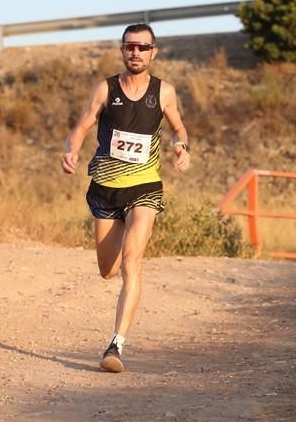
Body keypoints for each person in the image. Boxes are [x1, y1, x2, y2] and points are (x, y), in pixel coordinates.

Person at [60, 23, 189, 373]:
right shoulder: (106, 88)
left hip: (145, 186)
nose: (136, 52)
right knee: (108, 269)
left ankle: (116, 344)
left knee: (133, 261)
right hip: (105, 188)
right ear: (122, 50)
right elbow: (82, 126)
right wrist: (71, 150)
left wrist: (182, 146)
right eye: (130, 46)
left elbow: (178, 126)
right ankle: (114, 267)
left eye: (143, 47)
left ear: (154, 52)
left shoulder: (164, 92)